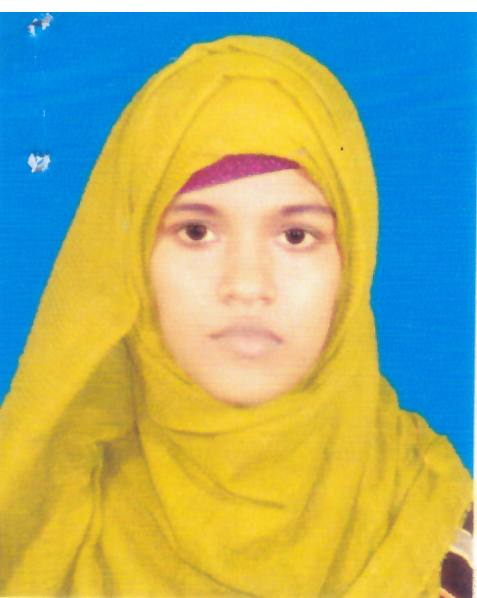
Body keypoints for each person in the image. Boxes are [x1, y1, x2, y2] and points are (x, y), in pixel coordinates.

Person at [0, 35, 472, 597]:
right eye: (196, 231)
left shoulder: (445, 533)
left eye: (296, 235)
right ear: (132, 262)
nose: (247, 285)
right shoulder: (36, 526)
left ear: (351, 264)